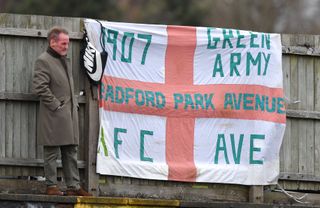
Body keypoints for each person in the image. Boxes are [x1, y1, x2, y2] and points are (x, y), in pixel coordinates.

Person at [33, 26, 92, 196]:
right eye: (63, 43)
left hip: (68, 115)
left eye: (67, 43)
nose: (67, 47)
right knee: (51, 151)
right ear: (52, 42)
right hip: (53, 115)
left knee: (70, 151)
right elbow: (39, 87)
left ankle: (73, 186)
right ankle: (51, 186)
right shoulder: (43, 60)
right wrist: (56, 105)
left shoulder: (63, 59)